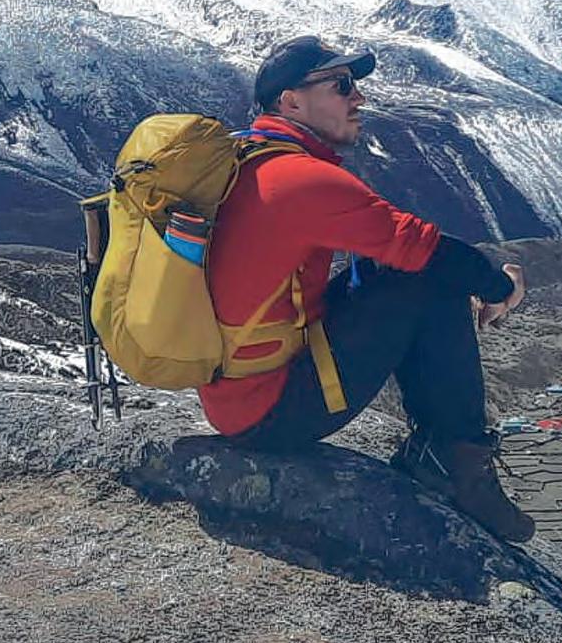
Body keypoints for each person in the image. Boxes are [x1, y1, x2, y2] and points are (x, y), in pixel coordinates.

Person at [199, 35, 534, 542]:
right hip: (271, 411)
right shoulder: (299, 180)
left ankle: (448, 457)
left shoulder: (247, 159)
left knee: (398, 273)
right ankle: (457, 464)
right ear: (291, 101)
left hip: (239, 389)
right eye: (342, 85)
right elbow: (420, 246)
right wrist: (497, 284)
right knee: (428, 277)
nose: (359, 98)